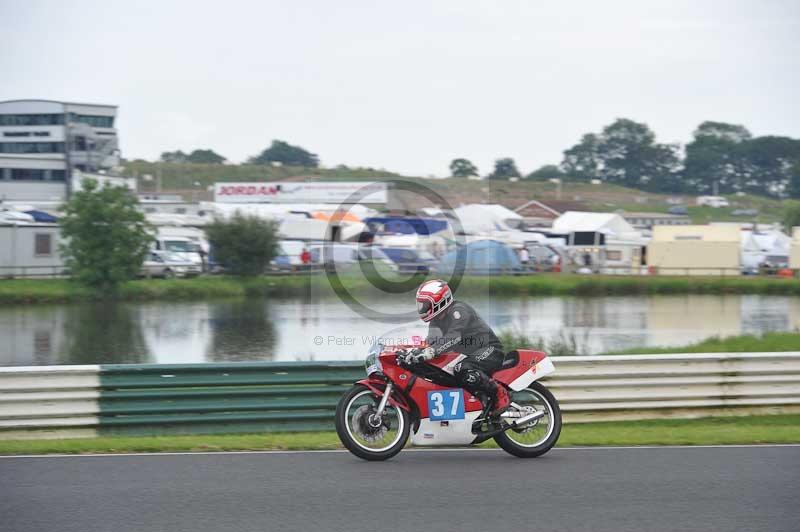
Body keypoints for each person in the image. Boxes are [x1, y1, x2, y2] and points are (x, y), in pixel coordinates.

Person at [401, 279, 510, 417]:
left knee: (463, 368)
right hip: (469, 354)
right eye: (421, 304)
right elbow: (431, 342)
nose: (422, 308)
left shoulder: (458, 310)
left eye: (425, 304)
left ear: (439, 300)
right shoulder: (436, 320)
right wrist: (415, 352)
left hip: (489, 349)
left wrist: (432, 351)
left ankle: (499, 392)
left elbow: (454, 336)